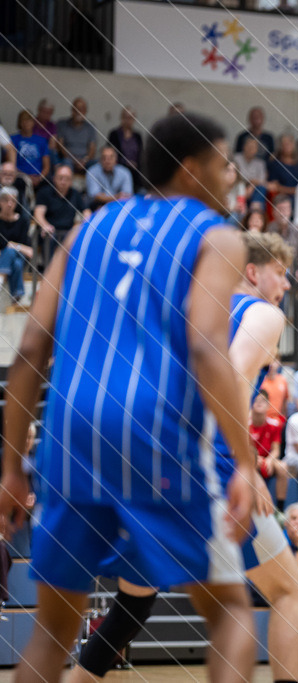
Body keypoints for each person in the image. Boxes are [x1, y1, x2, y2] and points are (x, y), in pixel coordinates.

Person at [0, 112, 258, 683]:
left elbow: (30, 350)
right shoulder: (217, 236)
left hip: (68, 430)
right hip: (154, 427)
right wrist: (244, 459)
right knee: (230, 612)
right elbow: (207, 348)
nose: (232, 177)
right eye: (223, 164)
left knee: (51, 632)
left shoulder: (89, 227)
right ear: (192, 170)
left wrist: (11, 466)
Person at [70, 231, 298, 683]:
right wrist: (246, 463)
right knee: (288, 589)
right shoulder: (262, 313)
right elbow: (235, 375)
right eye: (281, 272)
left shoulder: (189, 312)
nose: (286, 284)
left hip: (147, 462)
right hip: (210, 465)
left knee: (134, 602)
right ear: (252, 272)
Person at [33, 163, 89, 262]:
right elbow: (38, 213)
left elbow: (86, 212)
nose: (63, 181)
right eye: (60, 178)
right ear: (54, 178)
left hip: (68, 231)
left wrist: (81, 227)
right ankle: (48, 271)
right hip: (50, 231)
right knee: (49, 236)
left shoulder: (75, 194)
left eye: (67, 179)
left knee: (80, 239)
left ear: (71, 181)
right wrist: (45, 225)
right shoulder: (45, 192)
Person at [250, 389, 289, 511]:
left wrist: (270, 460)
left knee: (282, 467)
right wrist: (257, 459)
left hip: (267, 460)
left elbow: (276, 450)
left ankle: (280, 509)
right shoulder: (245, 424)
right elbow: (242, 450)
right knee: (251, 463)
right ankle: (253, 505)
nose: (259, 403)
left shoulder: (275, 425)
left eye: (263, 401)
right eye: (256, 400)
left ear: (268, 405)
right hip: (251, 460)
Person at [0, 187, 33, 303]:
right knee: (17, 264)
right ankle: (17, 295)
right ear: (0, 202)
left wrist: (12, 245)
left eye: (13, 201)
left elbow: (28, 249)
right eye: (6, 200)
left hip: (19, 255)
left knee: (12, 253)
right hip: (2, 257)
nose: (9, 204)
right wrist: (13, 246)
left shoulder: (23, 221)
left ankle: (1, 278)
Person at [55, 96, 97, 173]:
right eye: (76, 109)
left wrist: (85, 161)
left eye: (82, 109)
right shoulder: (62, 124)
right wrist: (73, 160)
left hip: (85, 160)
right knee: (66, 163)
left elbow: (92, 148)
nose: (79, 112)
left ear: (86, 111)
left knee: (97, 165)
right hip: (68, 159)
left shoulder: (90, 126)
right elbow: (60, 146)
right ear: (72, 110)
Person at [107, 106, 143, 183]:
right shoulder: (114, 134)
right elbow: (111, 152)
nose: (128, 120)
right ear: (121, 118)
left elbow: (141, 153)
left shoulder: (137, 136)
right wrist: (126, 162)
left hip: (136, 169)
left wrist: (136, 164)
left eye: (131, 118)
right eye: (126, 117)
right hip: (119, 166)